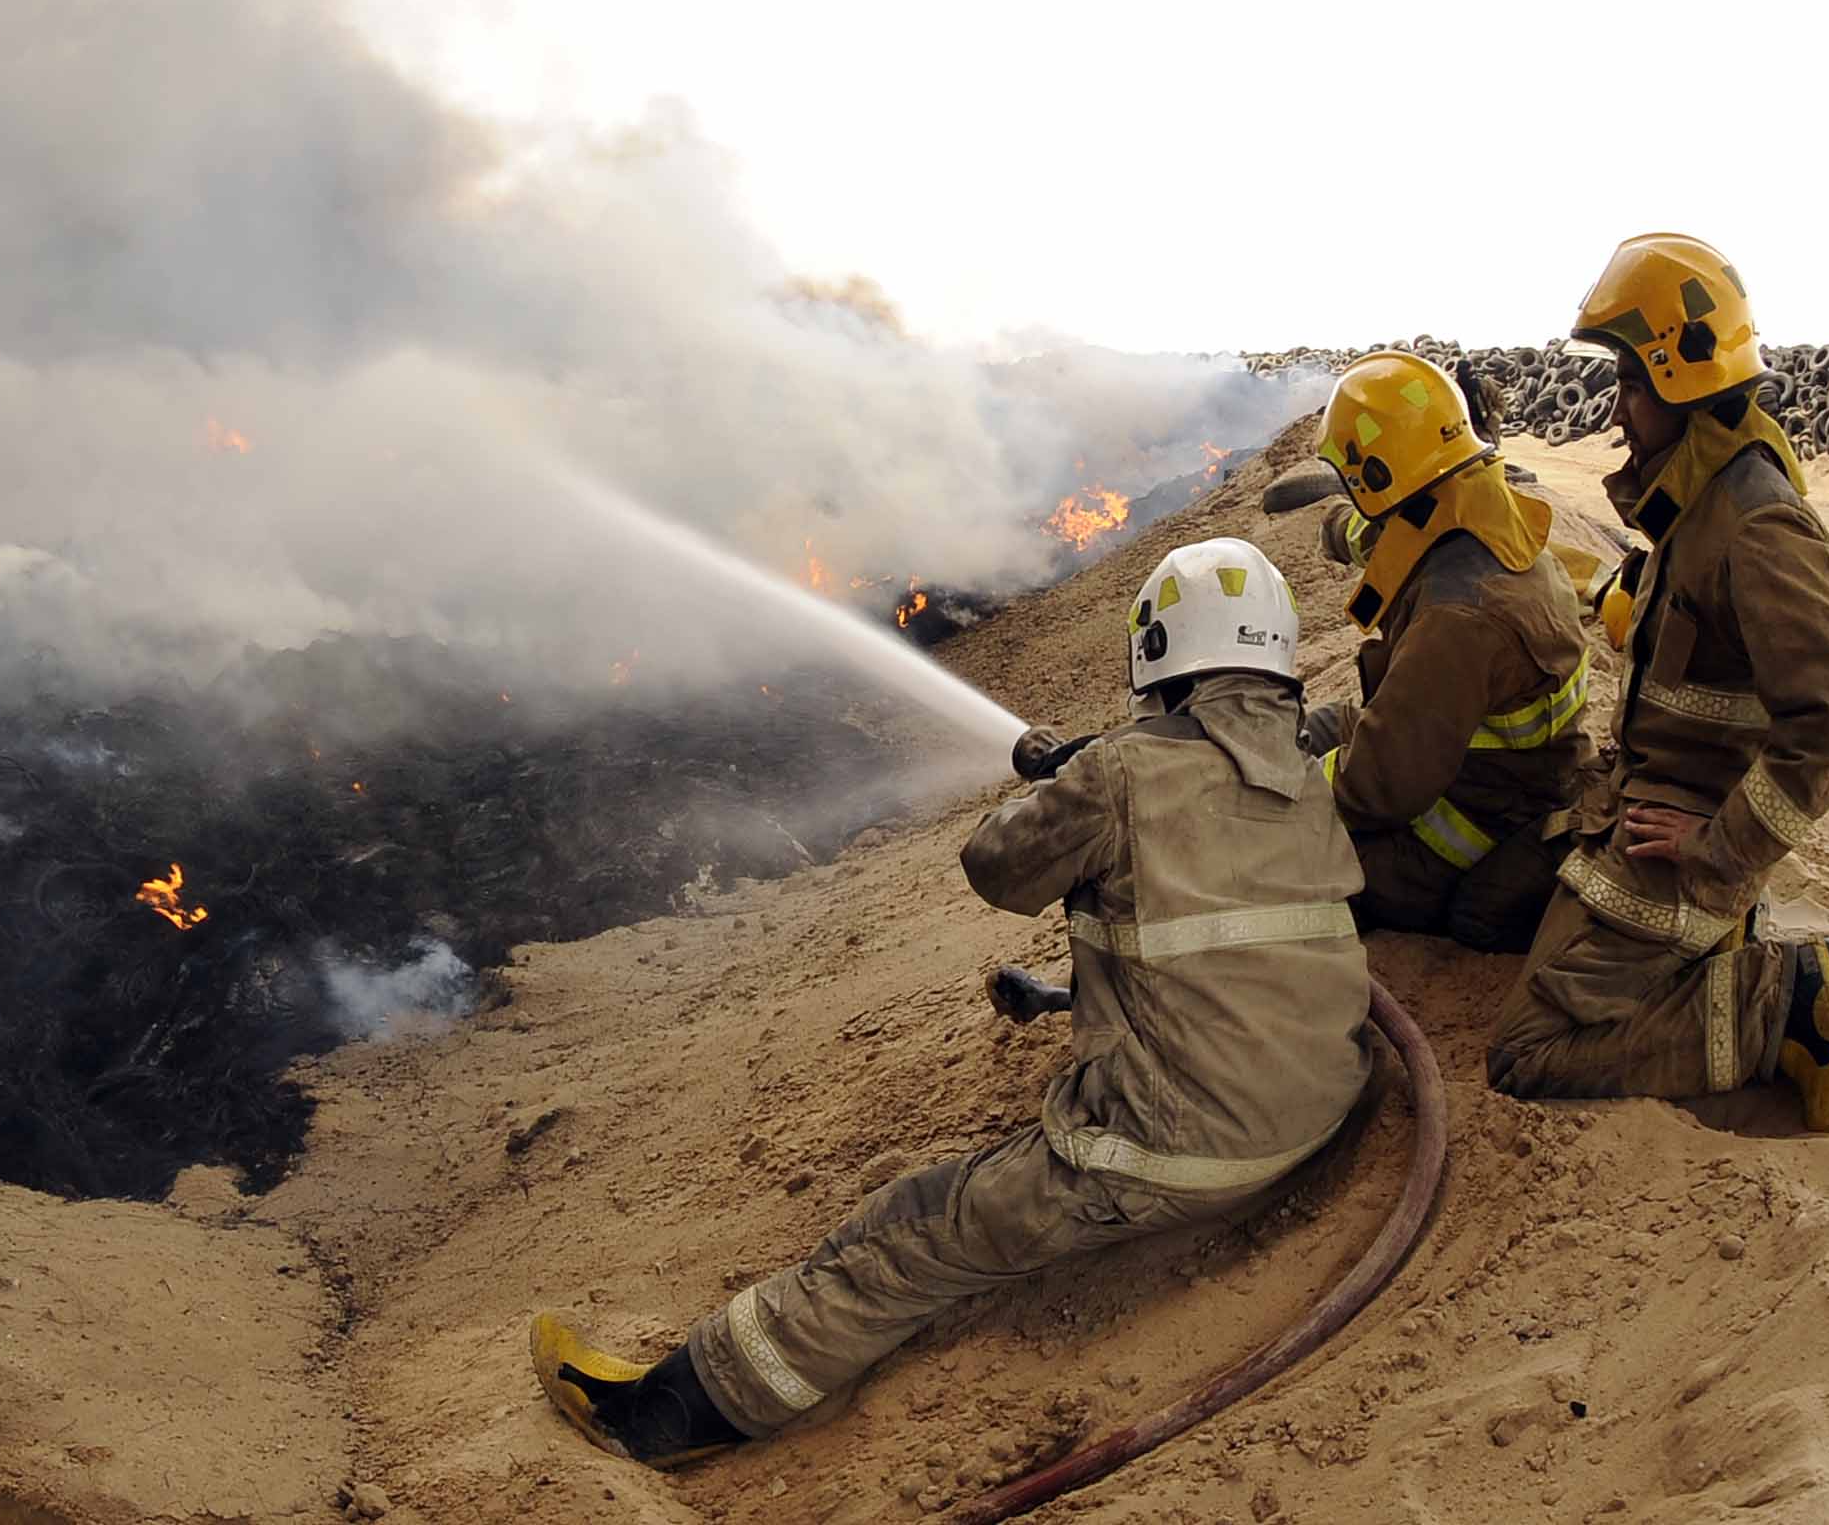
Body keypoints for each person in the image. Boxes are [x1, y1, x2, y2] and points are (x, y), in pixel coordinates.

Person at [528, 538, 1372, 1464]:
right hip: (1321, 1102)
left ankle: (672, 1413)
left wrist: (1079, 776)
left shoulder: (1120, 775)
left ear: (1159, 654)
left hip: (1187, 1148)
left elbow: (995, 868)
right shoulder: (1306, 764)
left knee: (913, 1223)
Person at [1487, 234, 1829, 1130]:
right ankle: (1707, 955)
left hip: (1689, 838)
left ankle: (1778, 1010)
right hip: (1652, 806)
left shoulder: (1753, 521)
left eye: (1629, 384)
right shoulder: (1701, 499)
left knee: (1525, 1051)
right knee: (1499, 914)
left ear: (1681, 380)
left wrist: (1721, 847)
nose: (1617, 412)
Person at [1303, 352, 1594, 952]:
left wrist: (1285, 789)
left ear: (1384, 480)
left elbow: (1378, 787)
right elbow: (1381, 538)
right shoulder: (1481, 515)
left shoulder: (1456, 618)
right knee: (1322, 726)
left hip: (1481, 810)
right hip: (1501, 759)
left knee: (1301, 865)